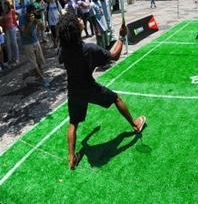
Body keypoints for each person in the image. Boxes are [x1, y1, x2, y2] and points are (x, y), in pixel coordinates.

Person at [57, 13, 146, 170]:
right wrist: (120, 37)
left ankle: (71, 158)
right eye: (77, 21)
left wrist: (90, 136)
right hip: (90, 88)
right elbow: (114, 55)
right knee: (116, 99)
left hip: (74, 91)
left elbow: (62, 57)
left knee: (73, 123)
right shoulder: (89, 49)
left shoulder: (64, 50)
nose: (80, 20)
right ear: (76, 30)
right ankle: (135, 125)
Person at [19, 4, 49, 88]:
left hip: (35, 41)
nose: (35, 13)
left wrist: (39, 22)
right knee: (34, 63)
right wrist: (29, 22)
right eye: (34, 11)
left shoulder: (36, 16)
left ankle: (30, 74)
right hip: (27, 43)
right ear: (29, 11)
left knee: (40, 61)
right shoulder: (22, 18)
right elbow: (23, 33)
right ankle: (42, 79)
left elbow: (43, 29)